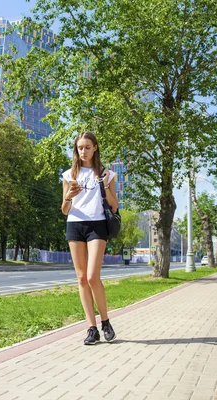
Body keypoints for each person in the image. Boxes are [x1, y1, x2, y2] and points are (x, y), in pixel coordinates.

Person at [61, 132, 119, 345]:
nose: (83, 151)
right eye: (79, 148)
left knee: (93, 276)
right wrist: (69, 197)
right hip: (75, 225)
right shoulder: (69, 175)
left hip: (97, 225)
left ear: (95, 147)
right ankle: (91, 328)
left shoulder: (107, 174)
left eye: (87, 147)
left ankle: (106, 322)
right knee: (81, 278)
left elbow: (114, 206)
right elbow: (65, 210)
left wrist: (103, 184)